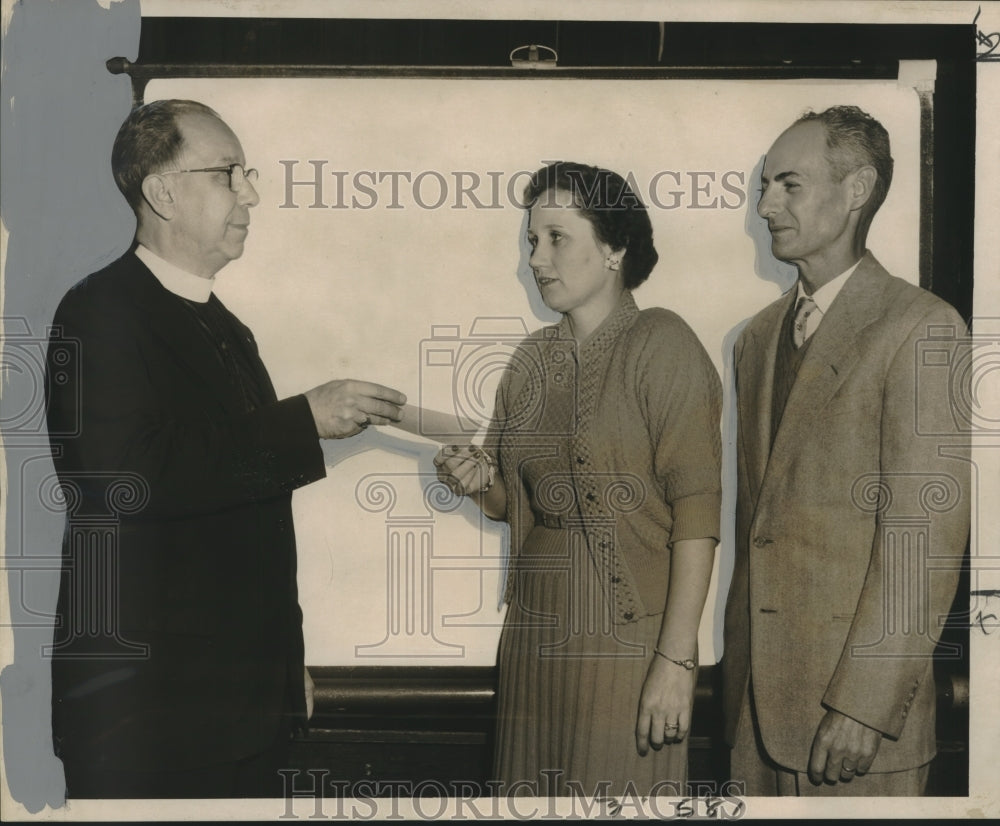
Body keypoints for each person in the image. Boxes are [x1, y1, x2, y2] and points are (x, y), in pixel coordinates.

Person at [44, 99, 407, 798]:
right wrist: (303, 420)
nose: (251, 195)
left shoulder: (230, 329)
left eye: (248, 174)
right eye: (228, 174)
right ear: (161, 192)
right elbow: (125, 478)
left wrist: (281, 665)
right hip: (150, 722)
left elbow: (250, 514)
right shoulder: (98, 311)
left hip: (241, 715)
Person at [435, 162, 722, 797]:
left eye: (556, 237)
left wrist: (677, 660)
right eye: (530, 241)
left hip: (625, 633)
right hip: (535, 627)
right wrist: (473, 479)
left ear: (615, 248)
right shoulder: (529, 359)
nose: (536, 259)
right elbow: (510, 504)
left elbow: (698, 513)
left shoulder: (662, 341)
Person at [722, 105, 970, 796]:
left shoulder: (921, 328)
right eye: (765, 185)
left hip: (854, 733)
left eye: (789, 185)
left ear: (857, 190)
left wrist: (863, 704)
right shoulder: (756, 338)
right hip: (752, 723)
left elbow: (923, 540)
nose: (766, 205)